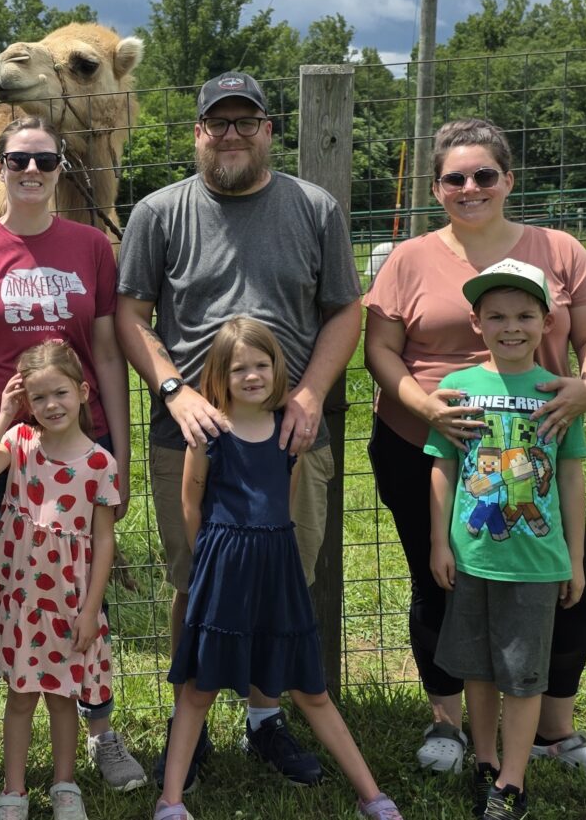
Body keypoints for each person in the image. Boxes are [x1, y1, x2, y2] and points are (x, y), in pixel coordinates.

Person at [116, 72, 362, 791]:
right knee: (194, 576)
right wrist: (173, 389)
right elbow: (130, 315)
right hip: (189, 437)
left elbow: (346, 310)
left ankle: (264, 716)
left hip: (289, 436)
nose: (229, 135)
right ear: (196, 132)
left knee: (286, 574)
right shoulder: (158, 213)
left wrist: (312, 390)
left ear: (268, 130)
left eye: (243, 122)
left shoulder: (314, 209)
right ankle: (187, 723)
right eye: (215, 123)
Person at [362, 117, 586, 779]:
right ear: (436, 187)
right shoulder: (409, 258)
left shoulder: (559, 249)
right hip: (425, 445)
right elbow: (380, 349)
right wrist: (426, 410)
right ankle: (448, 722)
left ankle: (553, 733)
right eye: (455, 177)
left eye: (484, 174)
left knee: (565, 580)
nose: (470, 187)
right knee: (441, 580)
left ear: (509, 179)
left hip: (537, 450)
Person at [0, 115, 144, 814]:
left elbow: (109, 352)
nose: (31, 170)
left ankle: (100, 727)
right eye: (18, 159)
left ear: (61, 168)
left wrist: (115, 436)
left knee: (86, 580)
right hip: (2, 446)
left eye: (44, 160)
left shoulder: (91, 247)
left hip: (73, 445)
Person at [156, 320, 403, 820]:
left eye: (261, 365)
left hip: (278, 572)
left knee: (311, 690)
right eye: (238, 367)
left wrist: (273, 548)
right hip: (223, 570)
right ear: (219, 375)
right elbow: (191, 499)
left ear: (277, 369)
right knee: (199, 689)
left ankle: (372, 797)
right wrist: (209, 554)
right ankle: (171, 800)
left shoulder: (288, 434)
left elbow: (285, 503)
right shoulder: (208, 435)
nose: (251, 376)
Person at [424, 260, 586, 820]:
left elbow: (569, 475)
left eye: (525, 315)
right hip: (473, 556)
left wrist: (574, 556)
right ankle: (486, 763)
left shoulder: (559, 392)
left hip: (535, 563)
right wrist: (439, 543)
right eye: (496, 316)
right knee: (477, 666)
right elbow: (444, 466)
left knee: (522, 676)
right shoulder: (458, 389)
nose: (510, 326)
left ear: (547, 323)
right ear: (476, 322)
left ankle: (513, 783)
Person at [0, 341, 120, 820]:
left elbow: (104, 543)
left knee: (62, 697)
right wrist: (4, 414)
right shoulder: (21, 442)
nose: (51, 405)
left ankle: (65, 786)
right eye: (39, 397)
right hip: (23, 599)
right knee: (21, 695)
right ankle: (14, 791)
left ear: (83, 392)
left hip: (70, 603)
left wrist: (92, 611)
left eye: (60, 393)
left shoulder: (99, 465)